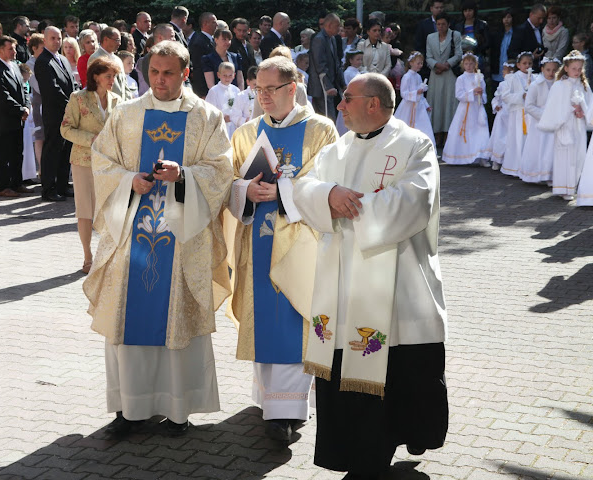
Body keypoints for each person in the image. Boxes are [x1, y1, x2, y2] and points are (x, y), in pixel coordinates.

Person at [293, 72, 448, 480]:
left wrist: (355, 207)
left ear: (373, 104)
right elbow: (303, 188)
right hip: (343, 287)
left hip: (399, 287)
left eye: (347, 98)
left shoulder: (414, 144)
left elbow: (416, 200)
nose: (340, 105)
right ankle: (362, 456)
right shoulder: (335, 149)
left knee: (403, 372)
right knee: (349, 372)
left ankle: (405, 436)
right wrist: (328, 195)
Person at [83, 40, 233, 437]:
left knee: (175, 321)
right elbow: (102, 160)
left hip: (181, 240)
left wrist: (184, 176)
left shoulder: (206, 116)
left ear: (186, 74)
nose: (160, 80)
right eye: (154, 72)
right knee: (127, 320)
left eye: (168, 73)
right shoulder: (127, 114)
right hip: (131, 236)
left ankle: (176, 409)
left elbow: (221, 169)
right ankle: (130, 410)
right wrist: (128, 180)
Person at [228, 56, 338, 443]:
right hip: (257, 242)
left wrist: (281, 192)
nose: (262, 96)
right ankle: (268, 400)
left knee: (295, 318)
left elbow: (327, 183)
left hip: (301, 244)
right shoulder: (246, 132)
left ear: (292, 88)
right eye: (257, 89)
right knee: (263, 320)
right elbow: (228, 182)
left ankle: (288, 412)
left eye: (270, 89)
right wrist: (246, 190)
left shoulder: (320, 130)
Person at [61, 57, 121, 274]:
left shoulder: (117, 100)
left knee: (110, 209)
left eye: (114, 76)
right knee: (85, 210)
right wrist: (92, 139)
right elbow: (65, 129)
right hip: (83, 162)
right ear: (96, 76)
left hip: (110, 163)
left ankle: (107, 256)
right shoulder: (78, 98)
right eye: (108, 76)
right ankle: (88, 256)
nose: (112, 80)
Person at [538, 50, 593, 202]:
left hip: (578, 126)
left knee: (578, 156)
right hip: (564, 125)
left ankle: (573, 185)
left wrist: (583, 111)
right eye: (574, 68)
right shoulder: (559, 85)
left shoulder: (584, 85)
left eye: (579, 68)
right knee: (565, 157)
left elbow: (589, 104)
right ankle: (563, 188)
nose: (577, 71)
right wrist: (570, 109)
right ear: (566, 68)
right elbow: (554, 106)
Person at [0, 35, 31, 198]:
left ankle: (16, 183)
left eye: (14, 48)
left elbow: (24, 88)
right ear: (0, 51)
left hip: (18, 118)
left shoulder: (14, 66)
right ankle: (3, 186)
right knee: (4, 154)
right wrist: (20, 110)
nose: (14, 51)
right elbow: (2, 96)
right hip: (5, 119)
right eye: (10, 49)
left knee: (17, 152)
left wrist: (26, 107)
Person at [35, 26, 74, 202]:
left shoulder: (63, 59)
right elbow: (52, 89)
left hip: (68, 113)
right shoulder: (43, 61)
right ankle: (48, 189)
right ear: (44, 40)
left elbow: (70, 84)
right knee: (52, 150)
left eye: (59, 38)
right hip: (54, 113)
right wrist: (70, 105)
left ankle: (62, 185)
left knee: (65, 150)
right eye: (53, 38)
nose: (57, 41)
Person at [441, 52, 489, 166]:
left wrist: (481, 94)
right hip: (465, 109)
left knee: (480, 131)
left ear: (475, 64)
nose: (469, 66)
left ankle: (481, 156)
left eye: (471, 64)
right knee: (465, 131)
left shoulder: (479, 77)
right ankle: (461, 156)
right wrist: (473, 92)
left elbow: (484, 95)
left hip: (477, 108)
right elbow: (459, 95)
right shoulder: (461, 78)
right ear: (463, 65)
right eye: (466, 64)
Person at [519, 57, 560, 183]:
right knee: (538, 147)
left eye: (554, 70)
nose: (551, 73)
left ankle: (550, 175)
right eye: (548, 70)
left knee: (551, 149)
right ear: (542, 69)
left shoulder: (559, 84)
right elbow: (529, 106)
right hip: (539, 122)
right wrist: (544, 115)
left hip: (554, 121)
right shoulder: (535, 85)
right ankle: (535, 174)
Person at [426, 13, 462, 148]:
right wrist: (436, 65)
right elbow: (428, 56)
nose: (440, 27)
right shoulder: (430, 37)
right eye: (438, 24)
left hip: (450, 74)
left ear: (448, 24)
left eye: (443, 24)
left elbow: (459, 54)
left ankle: (448, 134)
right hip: (435, 74)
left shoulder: (455, 35)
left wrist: (446, 65)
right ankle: (436, 134)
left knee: (449, 103)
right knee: (435, 103)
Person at [500, 52, 533, 177]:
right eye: (524, 63)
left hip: (531, 114)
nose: (527, 66)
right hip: (517, 114)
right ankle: (514, 167)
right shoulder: (512, 78)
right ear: (518, 65)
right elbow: (505, 96)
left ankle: (527, 167)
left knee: (529, 140)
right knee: (517, 140)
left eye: (530, 63)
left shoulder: (535, 78)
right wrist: (521, 96)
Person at [308, 14, 345, 122]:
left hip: (331, 85)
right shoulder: (319, 39)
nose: (339, 28)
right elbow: (320, 65)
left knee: (331, 117)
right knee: (327, 118)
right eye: (337, 26)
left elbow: (336, 63)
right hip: (321, 88)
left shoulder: (332, 38)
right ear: (329, 25)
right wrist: (327, 87)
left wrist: (342, 84)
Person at [394, 51, 435, 145]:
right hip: (407, 106)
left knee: (421, 125)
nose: (420, 65)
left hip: (418, 106)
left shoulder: (418, 76)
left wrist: (426, 105)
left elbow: (421, 96)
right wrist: (416, 92)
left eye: (421, 63)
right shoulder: (406, 77)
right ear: (411, 63)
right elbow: (403, 93)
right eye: (418, 63)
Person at [485, 60, 515, 169]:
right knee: (499, 137)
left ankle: (508, 160)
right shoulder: (502, 84)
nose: (503, 72)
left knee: (510, 137)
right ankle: (496, 159)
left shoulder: (516, 83)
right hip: (502, 115)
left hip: (512, 114)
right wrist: (496, 105)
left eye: (505, 70)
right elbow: (496, 98)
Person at [88, 27, 132, 102]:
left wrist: (128, 101)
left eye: (120, 41)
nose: (119, 44)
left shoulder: (118, 59)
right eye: (117, 40)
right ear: (105, 39)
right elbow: (93, 84)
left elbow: (124, 84)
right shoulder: (95, 58)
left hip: (121, 104)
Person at [135, 23, 176, 95]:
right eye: (172, 36)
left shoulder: (176, 57)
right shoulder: (148, 59)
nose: (174, 40)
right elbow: (153, 84)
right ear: (160, 38)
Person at [26, 33, 45, 176]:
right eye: (43, 48)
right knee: (40, 137)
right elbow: (38, 87)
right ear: (34, 48)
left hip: (50, 104)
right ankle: (42, 169)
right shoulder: (30, 64)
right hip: (39, 104)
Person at [205, 62, 240, 137]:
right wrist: (222, 118)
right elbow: (209, 110)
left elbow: (239, 107)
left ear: (234, 75)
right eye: (224, 75)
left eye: (230, 75)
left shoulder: (236, 90)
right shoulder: (214, 91)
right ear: (218, 75)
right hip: (220, 127)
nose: (227, 78)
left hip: (234, 126)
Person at [508, 4, 546, 72]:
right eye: (539, 18)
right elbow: (511, 52)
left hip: (540, 70)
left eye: (543, 18)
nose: (541, 21)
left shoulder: (542, 29)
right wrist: (530, 57)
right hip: (525, 72)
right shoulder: (521, 30)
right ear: (531, 14)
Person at [453, 0, 489, 70]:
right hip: (463, 59)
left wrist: (475, 50)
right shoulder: (458, 26)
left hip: (478, 58)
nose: (467, 13)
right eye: (465, 11)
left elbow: (487, 43)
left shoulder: (482, 25)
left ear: (474, 11)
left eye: (470, 10)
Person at [188, 12, 217, 98]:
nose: (216, 25)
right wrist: (202, 93)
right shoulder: (198, 42)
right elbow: (198, 68)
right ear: (205, 24)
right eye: (213, 22)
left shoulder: (211, 40)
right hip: (204, 89)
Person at [415, 0, 444, 80]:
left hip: (445, 65)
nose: (439, 10)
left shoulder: (450, 24)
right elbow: (419, 45)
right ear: (431, 9)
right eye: (437, 8)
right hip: (427, 66)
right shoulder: (423, 24)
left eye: (441, 7)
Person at [490, 8, 514, 88]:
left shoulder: (517, 33)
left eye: (508, 17)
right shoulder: (497, 34)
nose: (506, 19)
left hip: (511, 67)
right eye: (504, 17)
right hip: (498, 68)